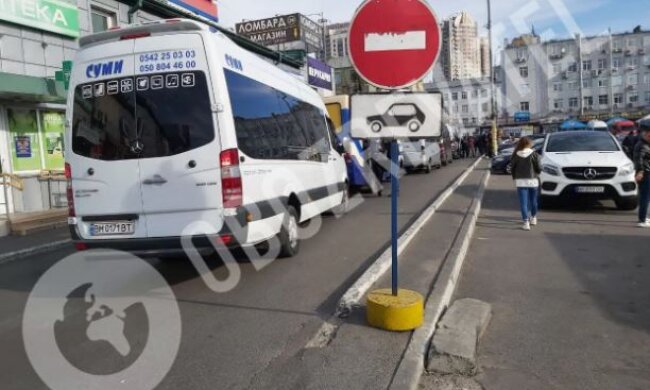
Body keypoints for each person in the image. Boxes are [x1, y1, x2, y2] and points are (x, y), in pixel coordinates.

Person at [511, 137, 542, 231]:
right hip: (533, 181)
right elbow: (539, 168)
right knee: (533, 201)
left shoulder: (516, 155)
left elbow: (513, 168)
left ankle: (526, 222)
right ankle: (533, 218)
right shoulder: (534, 154)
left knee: (523, 203)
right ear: (529, 144)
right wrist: (537, 173)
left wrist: (515, 177)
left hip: (521, 181)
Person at [633, 121, 650, 228]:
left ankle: (644, 217)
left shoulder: (646, 144)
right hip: (645, 173)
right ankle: (642, 219)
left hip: (646, 172)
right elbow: (638, 160)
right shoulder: (642, 145)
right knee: (645, 197)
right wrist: (640, 171)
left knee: (647, 197)